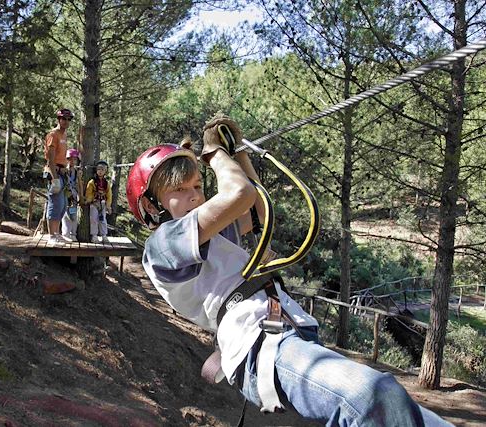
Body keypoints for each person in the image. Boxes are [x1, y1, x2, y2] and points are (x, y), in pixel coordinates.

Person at [125, 115, 452, 427]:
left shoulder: (213, 231)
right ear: (152, 206)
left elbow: (258, 208)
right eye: (178, 190)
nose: (194, 194)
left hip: (284, 328)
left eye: (196, 185)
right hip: (257, 342)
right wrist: (213, 154)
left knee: (414, 415)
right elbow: (240, 194)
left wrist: (237, 153)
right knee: (374, 397)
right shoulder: (162, 245)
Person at [44, 108, 74, 244]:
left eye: (68, 119)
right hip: (53, 172)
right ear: (59, 119)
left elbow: (62, 156)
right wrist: (54, 177)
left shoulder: (64, 135)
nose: (66, 122)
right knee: (55, 204)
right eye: (64, 119)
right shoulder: (53, 135)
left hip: (62, 172)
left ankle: (57, 234)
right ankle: (51, 236)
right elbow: (50, 159)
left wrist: (65, 168)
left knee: (63, 205)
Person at [85, 160, 112, 243]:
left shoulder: (106, 183)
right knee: (93, 220)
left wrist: (108, 205)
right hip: (94, 203)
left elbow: (109, 195)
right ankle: (94, 236)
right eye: (99, 169)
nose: (100, 171)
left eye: (103, 169)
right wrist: (89, 200)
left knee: (103, 220)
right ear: (96, 170)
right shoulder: (92, 182)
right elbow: (89, 192)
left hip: (103, 204)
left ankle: (104, 235)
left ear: (105, 171)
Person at [61, 148, 83, 241]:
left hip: (73, 197)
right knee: (65, 215)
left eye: (74, 159)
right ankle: (65, 234)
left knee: (73, 214)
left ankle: (73, 233)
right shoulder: (63, 171)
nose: (72, 161)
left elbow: (79, 185)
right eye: (70, 159)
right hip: (65, 195)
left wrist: (81, 196)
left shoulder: (76, 172)